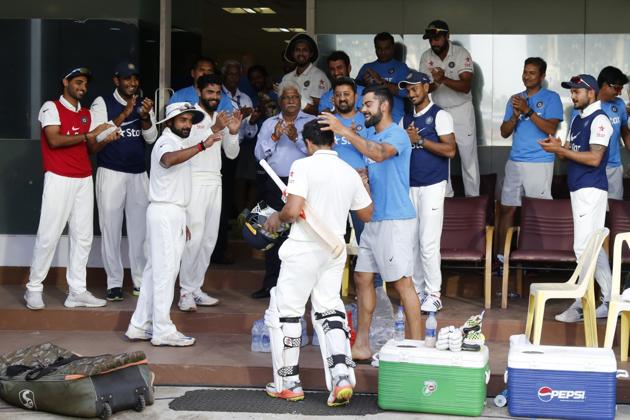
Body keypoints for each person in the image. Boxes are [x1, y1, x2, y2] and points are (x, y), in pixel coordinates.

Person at [263, 119, 373, 406]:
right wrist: (363, 184)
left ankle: (288, 383)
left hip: (303, 248)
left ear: (309, 143)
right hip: (333, 249)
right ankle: (342, 378)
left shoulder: (303, 166)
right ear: (333, 141)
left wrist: (278, 215)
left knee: (285, 312)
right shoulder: (348, 172)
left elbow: (293, 209)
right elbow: (367, 214)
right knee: (329, 310)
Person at [319, 86, 423, 362]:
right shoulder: (371, 135)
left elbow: (379, 154)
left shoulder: (397, 135)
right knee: (362, 278)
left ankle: (417, 350)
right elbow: (371, 161)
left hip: (395, 219)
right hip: (374, 218)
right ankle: (362, 345)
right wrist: (363, 178)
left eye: (367, 104)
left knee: (402, 284)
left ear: (384, 106)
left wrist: (345, 131)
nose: (363, 109)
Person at [126, 102, 222, 346]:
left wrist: (183, 219)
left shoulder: (177, 142)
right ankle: (162, 330)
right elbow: (168, 161)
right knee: (165, 273)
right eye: (182, 120)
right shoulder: (165, 142)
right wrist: (202, 145)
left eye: (190, 120)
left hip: (172, 212)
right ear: (169, 122)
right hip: (165, 212)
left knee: (154, 272)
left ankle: (139, 325)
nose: (187, 125)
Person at [25, 67, 120, 310]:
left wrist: (103, 140)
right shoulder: (51, 107)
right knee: (49, 235)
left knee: (83, 237)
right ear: (65, 81)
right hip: (58, 177)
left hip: (83, 178)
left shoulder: (86, 114)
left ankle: (77, 291)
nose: (82, 88)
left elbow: (88, 149)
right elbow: (54, 140)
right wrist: (90, 135)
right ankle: (34, 288)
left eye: (85, 85)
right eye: (78, 82)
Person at [539, 74, 613, 322]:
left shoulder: (600, 119)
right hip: (578, 188)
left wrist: (561, 150)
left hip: (591, 189)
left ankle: (582, 302)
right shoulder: (577, 118)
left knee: (582, 247)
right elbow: (569, 154)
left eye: (577, 92)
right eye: (571, 91)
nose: (573, 95)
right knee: (592, 245)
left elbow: (594, 159)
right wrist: (559, 146)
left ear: (591, 93)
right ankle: (610, 298)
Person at [90, 61, 158, 301]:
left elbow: (151, 139)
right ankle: (114, 283)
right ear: (116, 80)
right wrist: (124, 114)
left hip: (138, 173)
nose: (133, 83)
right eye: (127, 78)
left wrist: (145, 117)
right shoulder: (102, 102)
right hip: (111, 172)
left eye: (135, 78)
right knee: (111, 228)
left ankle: (139, 281)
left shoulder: (144, 103)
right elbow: (97, 135)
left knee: (140, 231)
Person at [178, 75, 242, 312]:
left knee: (209, 241)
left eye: (217, 93)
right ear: (199, 92)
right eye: (210, 92)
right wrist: (212, 130)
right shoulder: (188, 115)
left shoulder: (220, 118)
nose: (214, 97)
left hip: (216, 180)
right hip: (194, 181)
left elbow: (232, 154)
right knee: (193, 240)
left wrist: (233, 132)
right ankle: (184, 291)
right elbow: (185, 145)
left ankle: (196, 288)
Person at [497, 58, 563, 272]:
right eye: (525, 72)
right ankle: (501, 260)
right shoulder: (515, 99)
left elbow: (550, 128)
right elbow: (504, 132)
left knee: (538, 211)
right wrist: (515, 115)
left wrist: (528, 111)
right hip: (515, 160)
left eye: (532, 73)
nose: (527, 76)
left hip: (540, 161)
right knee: (507, 208)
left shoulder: (551, 98)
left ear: (542, 76)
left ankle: (538, 259)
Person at [399, 71, 456, 312]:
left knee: (428, 242)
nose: (411, 93)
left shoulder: (440, 115)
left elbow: (450, 150)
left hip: (433, 184)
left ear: (426, 87)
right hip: (411, 184)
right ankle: (418, 291)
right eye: (408, 89)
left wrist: (420, 140)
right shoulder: (404, 121)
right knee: (412, 242)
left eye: (415, 88)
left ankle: (434, 293)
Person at [252, 81, 316, 298]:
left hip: (303, 182)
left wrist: (295, 138)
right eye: (286, 97)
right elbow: (259, 156)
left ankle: (302, 290)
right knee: (273, 232)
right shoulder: (270, 123)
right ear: (280, 101)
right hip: (274, 182)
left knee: (303, 233)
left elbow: (315, 153)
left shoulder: (311, 122)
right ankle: (270, 285)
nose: (291, 101)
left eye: (295, 97)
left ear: (300, 100)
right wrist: (275, 137)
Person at [419, 20, 480, 197]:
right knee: (441, 155)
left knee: (468, 157)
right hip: (438, 110)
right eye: (431, 39)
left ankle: (473, 198)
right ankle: (446, 197)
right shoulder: (426, 57)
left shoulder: (461, 53)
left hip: (461, 109)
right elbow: (425, 88)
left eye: (437, 38)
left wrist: (443, 79)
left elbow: (466, 86)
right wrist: (436, 81)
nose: (434, 43)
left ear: (447, 36)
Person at [356, 32, 409, 123]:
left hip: (396, 120)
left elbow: (406, 92)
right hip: (372, 121)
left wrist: (380, 81)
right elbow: (355, 94)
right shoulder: (367, 68)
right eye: (379, 49)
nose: (383, 52)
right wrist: (366, 86)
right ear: (375, 49)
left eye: (387, 48)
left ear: (393, 48)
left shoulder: (401, 67)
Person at [596, 66, 630, 200]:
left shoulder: (620, 104)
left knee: (615, 211)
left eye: (621, 89)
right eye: (617, 88)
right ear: (604, 85)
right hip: (593, 167)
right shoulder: (588, 104)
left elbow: (625, 133)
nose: (620, 93)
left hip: (614, 167)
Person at [281, 33, 330, 115]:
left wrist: (299, 103)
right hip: (289, 124)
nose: (301, 53)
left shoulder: (318, 76)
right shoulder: (286, 78)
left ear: (310, 54)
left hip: (310, 126)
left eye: (305, 50)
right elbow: (282, 105)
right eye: (297, 50)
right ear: (293, 54)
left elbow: (320, 111)